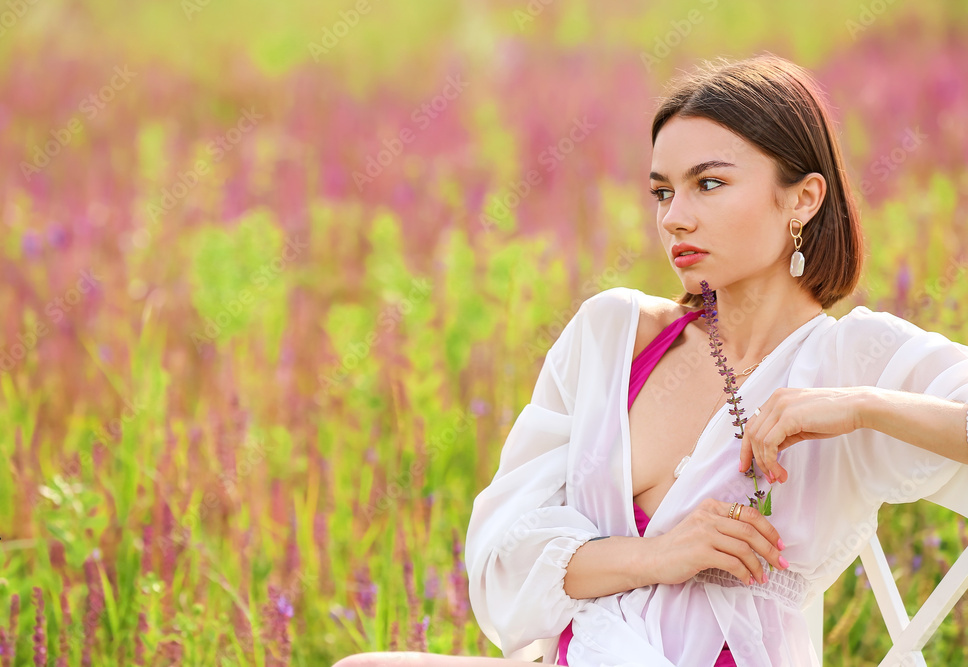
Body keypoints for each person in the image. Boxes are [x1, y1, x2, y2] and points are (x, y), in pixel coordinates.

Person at [334, 54, 968, 667]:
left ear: (802, 199)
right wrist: (660, 556)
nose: (675, 219)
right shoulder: (615, 338)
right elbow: (504, 560)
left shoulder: (851, 359)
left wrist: (863, 407)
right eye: (663, 191)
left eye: (709, 184)